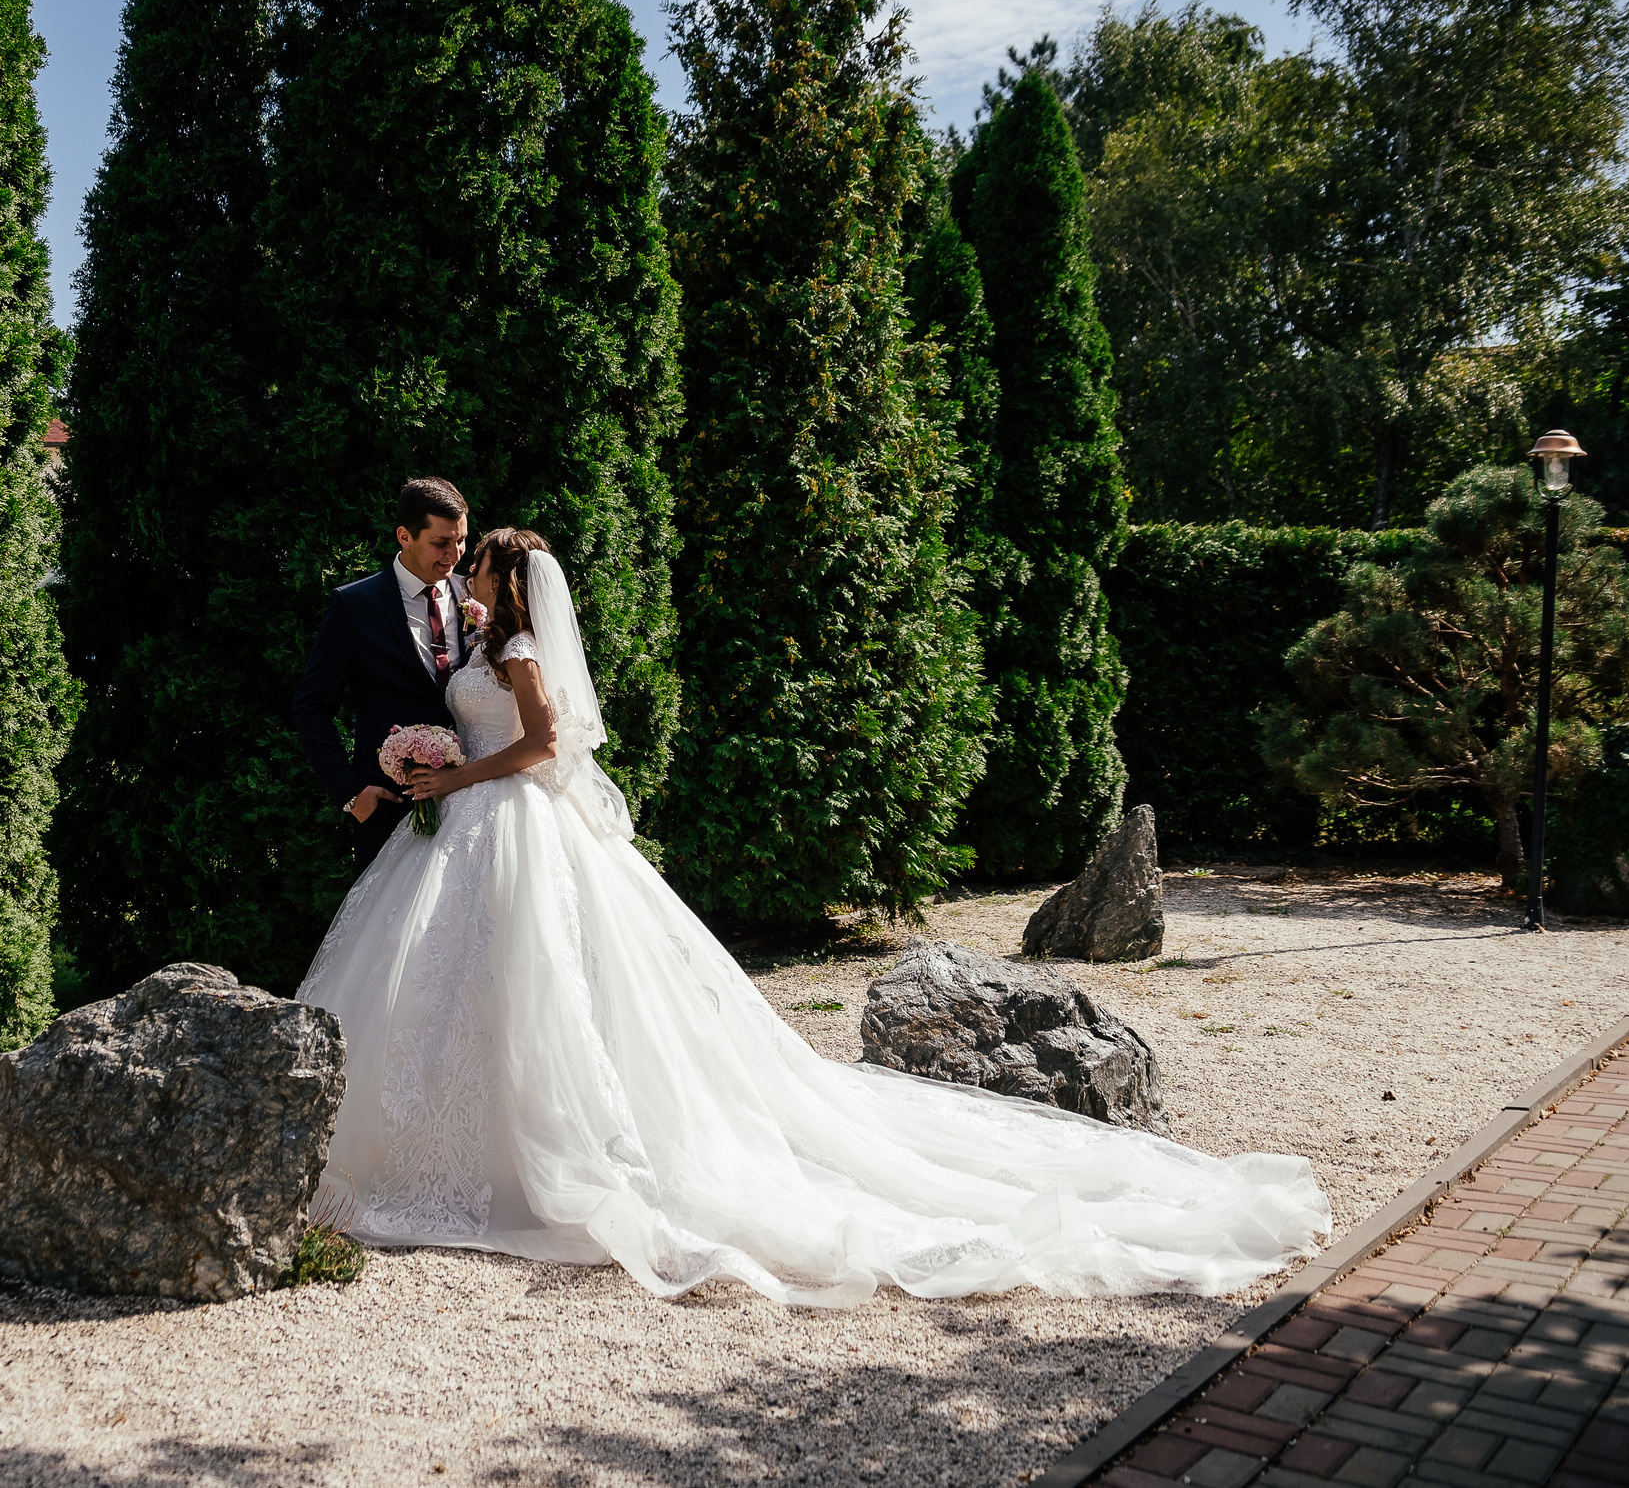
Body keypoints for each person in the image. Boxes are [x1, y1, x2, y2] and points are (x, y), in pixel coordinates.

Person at [297, 526, 1331, 1307]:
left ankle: (529, 1158)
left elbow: (543, 744)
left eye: (475, 564)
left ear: (504, 580)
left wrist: (456, 771)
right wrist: (416, 758)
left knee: (539, 984)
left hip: (506, 816)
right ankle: (449, 1146)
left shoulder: (519, 647)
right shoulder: (487, 639)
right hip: (468, 823)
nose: (464, 574)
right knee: (456, 985)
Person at [291, 477, 478, 873]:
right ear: (404, 536)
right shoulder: (354, 605)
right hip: (390, 808)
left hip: (473, 800)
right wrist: (351, 792)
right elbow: (311, 707)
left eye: (461, 540)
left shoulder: (474, 596)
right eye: (441, 543)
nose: (454, 554)